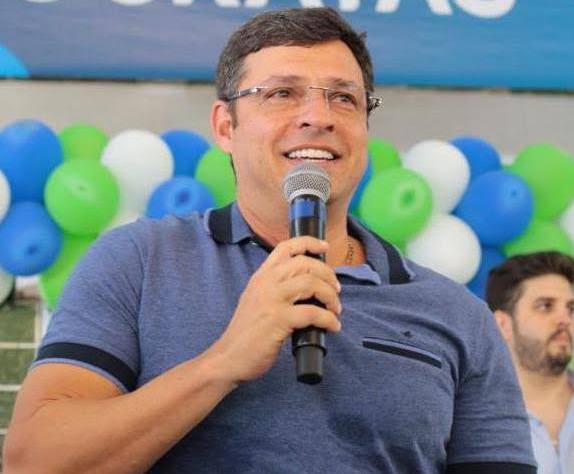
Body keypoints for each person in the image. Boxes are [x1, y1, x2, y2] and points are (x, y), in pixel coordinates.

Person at [4, 7, 535, 473]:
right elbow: (35, 462)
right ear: (225, 126)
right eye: (282, 93)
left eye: (343, 98)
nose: (318, 117)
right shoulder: (139, 262)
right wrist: (222, 363)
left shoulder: (457, 314)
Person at [486, 251, 574, 474]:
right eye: (545, 306)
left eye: (571, 309)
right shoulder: (470, 419)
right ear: (503, 324)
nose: (565, 319)